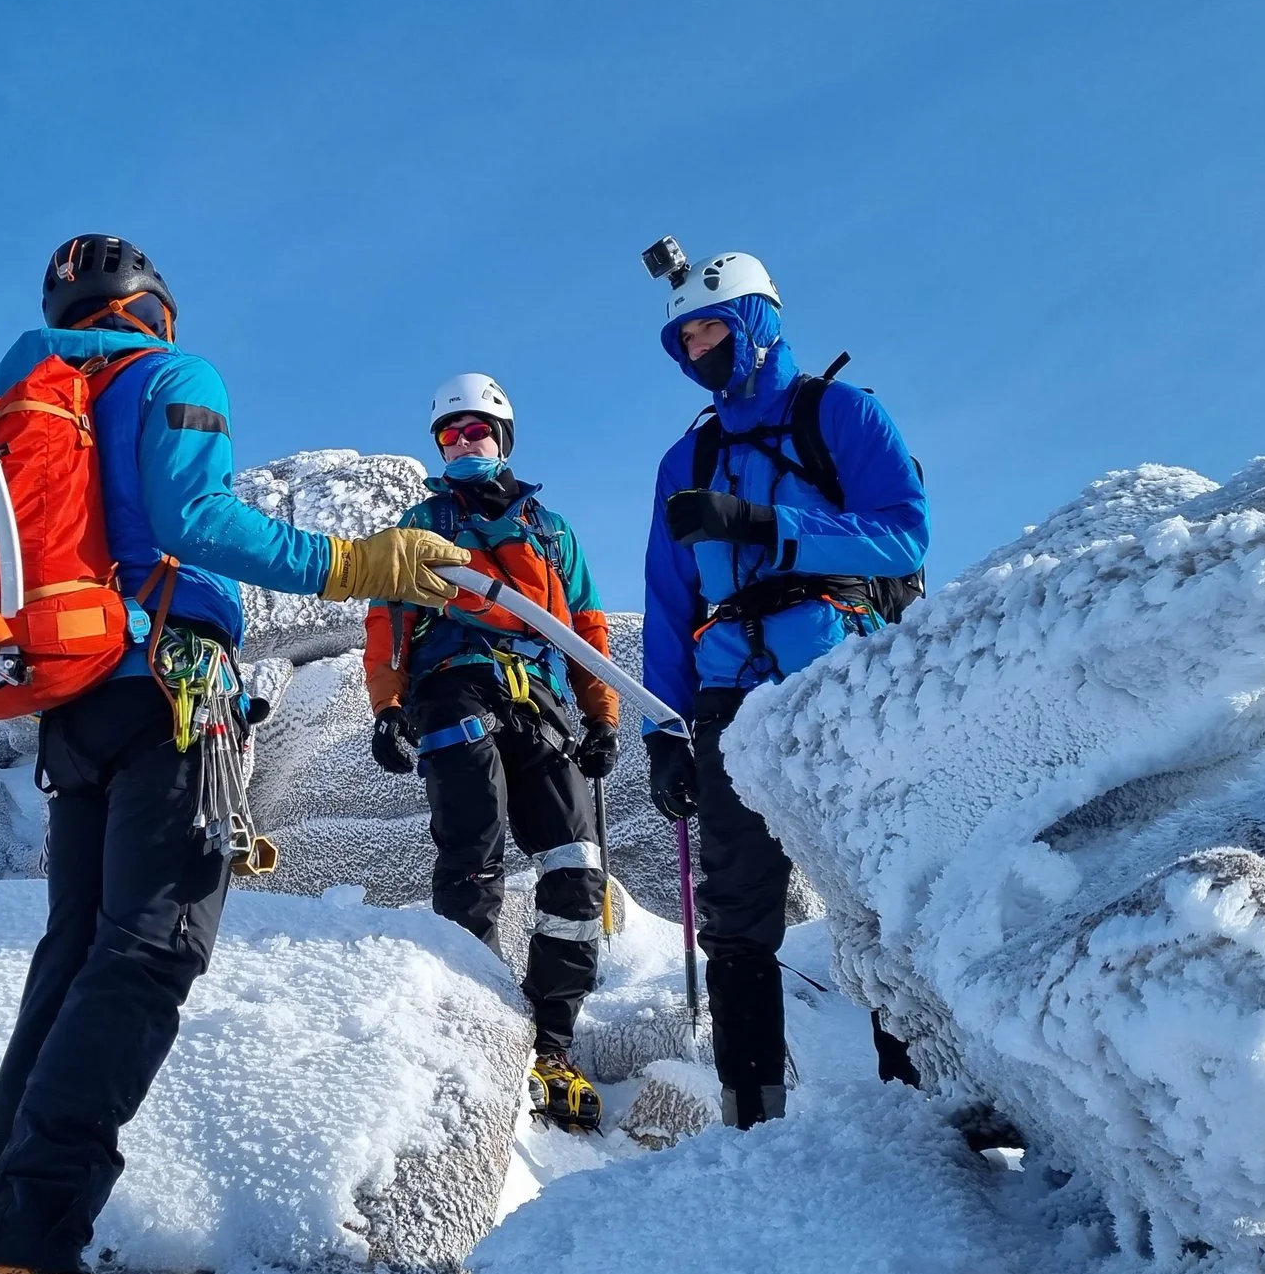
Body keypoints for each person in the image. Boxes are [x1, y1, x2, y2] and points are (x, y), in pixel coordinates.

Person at [0, 235, 468, 1274]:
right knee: (148, 953)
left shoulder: (33, 397)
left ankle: (8, 1253)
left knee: (73, 959)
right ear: (152, 311)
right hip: (171, 684)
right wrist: (360, 560)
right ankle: (26, 1266)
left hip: (76, 707)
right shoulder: (167, 376)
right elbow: (195, 517)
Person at [639, 251, 927, 1130]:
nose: (698, 348)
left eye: (712, 327)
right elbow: (666, 599)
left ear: (756, 322)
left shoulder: (842, 414)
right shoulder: (684, 458)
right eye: (686, 337)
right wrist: (663, 730)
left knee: (882, 893)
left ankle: (922, 1104)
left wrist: (767, 524)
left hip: (839, 682)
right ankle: (752, 1119)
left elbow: (904, 539)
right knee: (735, 912)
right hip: (729, 698)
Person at [363, 375, 620, 1133]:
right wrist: (387, 709)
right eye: (449, 435)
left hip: (539, 699)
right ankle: (473, 1025)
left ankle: (550, 1045)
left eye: (476, 431)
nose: (462, 443)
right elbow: (388, 621)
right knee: (473, 850)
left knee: (577, 865)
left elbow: (588, 626)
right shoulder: (420, 525)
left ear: (502, 438)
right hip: (452, 687)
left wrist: (601, 713)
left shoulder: (551, 531)